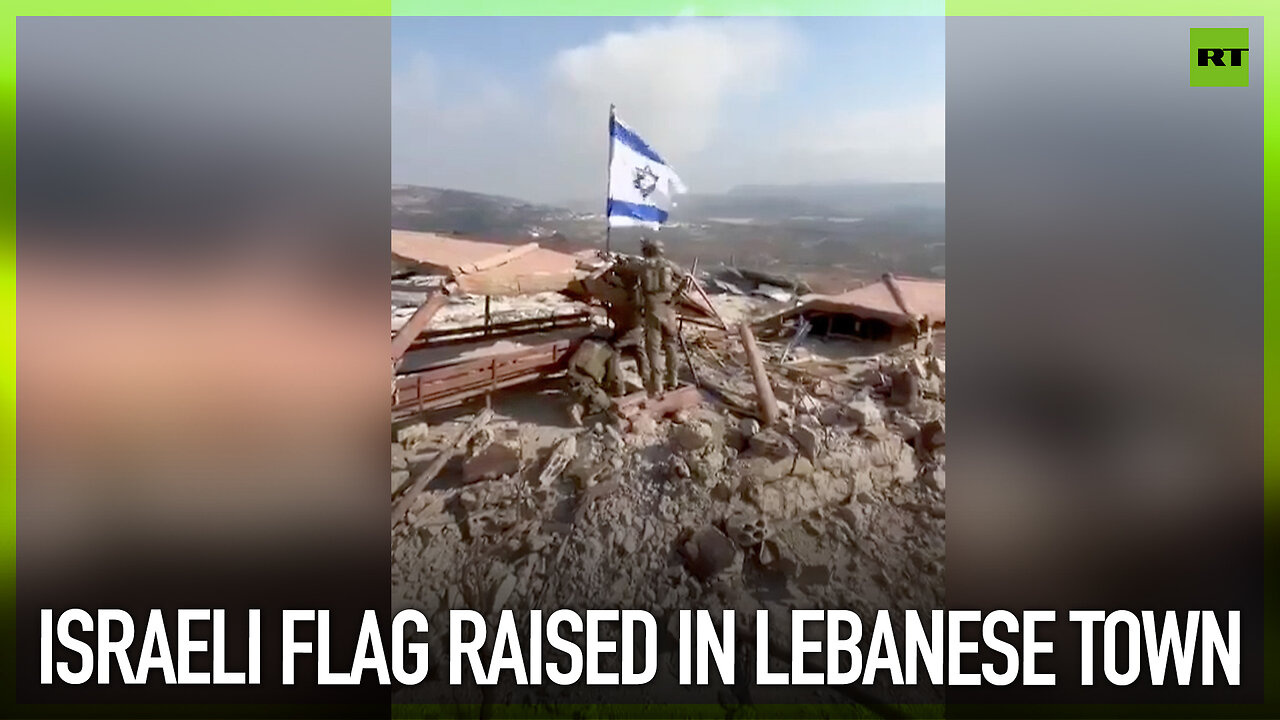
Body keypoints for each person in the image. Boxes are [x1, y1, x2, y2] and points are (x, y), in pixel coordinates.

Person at [638, 236, 682, 394]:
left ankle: (657, 385)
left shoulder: (642, 267)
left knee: (653, 348)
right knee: (671, 346)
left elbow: (628, 274)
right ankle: (673, 380)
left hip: (652, 309)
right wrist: (675, 295)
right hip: (668, 308)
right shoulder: (669, 265)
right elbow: (684, 278)